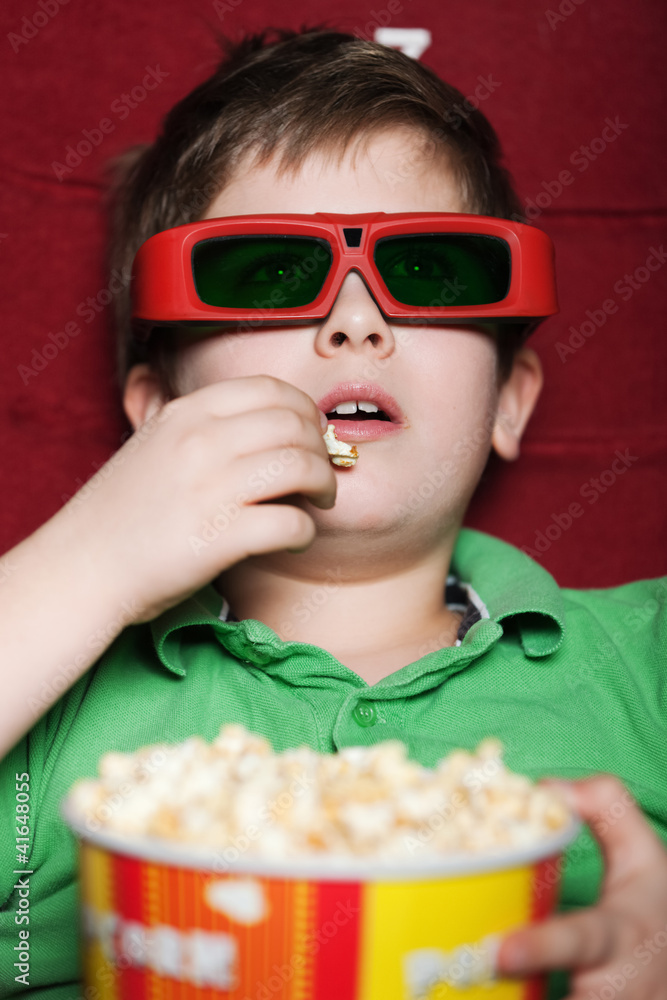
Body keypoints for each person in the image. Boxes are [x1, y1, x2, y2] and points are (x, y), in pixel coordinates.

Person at [1, 26, 666, 1000]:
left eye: (433, 269)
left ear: (510, 401)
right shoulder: (48, 684)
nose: (355, 317)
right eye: (266, 271)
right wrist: (87, 563)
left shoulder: (644, 662)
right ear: (155, 419)